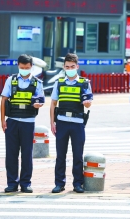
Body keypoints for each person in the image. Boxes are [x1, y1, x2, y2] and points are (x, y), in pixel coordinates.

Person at [1, 54, 45, 193]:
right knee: (11, 154)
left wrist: (39, 105)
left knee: (27, 154)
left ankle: (25, 183)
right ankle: (12, 183)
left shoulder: (37, 83)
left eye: (27, 67)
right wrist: (2, 120)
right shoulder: (11, 80)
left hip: (28, 122)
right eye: (22, 67)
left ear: (32, 67)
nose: (25, 69)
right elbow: (3, 101)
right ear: (18, 66)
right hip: (12, 121)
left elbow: (41, 100)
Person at [50, 53, 93, 194]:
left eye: (72, 66)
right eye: (67, 67)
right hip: (61, 122)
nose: (70, 69)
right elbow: (53, 104)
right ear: (64, 67)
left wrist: (87, 103)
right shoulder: (59, 82)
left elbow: (88, 104)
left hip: (77, 123)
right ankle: (59, 183)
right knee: (60, 156)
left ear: (77, 66)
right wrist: (52, 123)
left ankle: (78, 184)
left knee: (77, 156)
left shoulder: (85, 83)